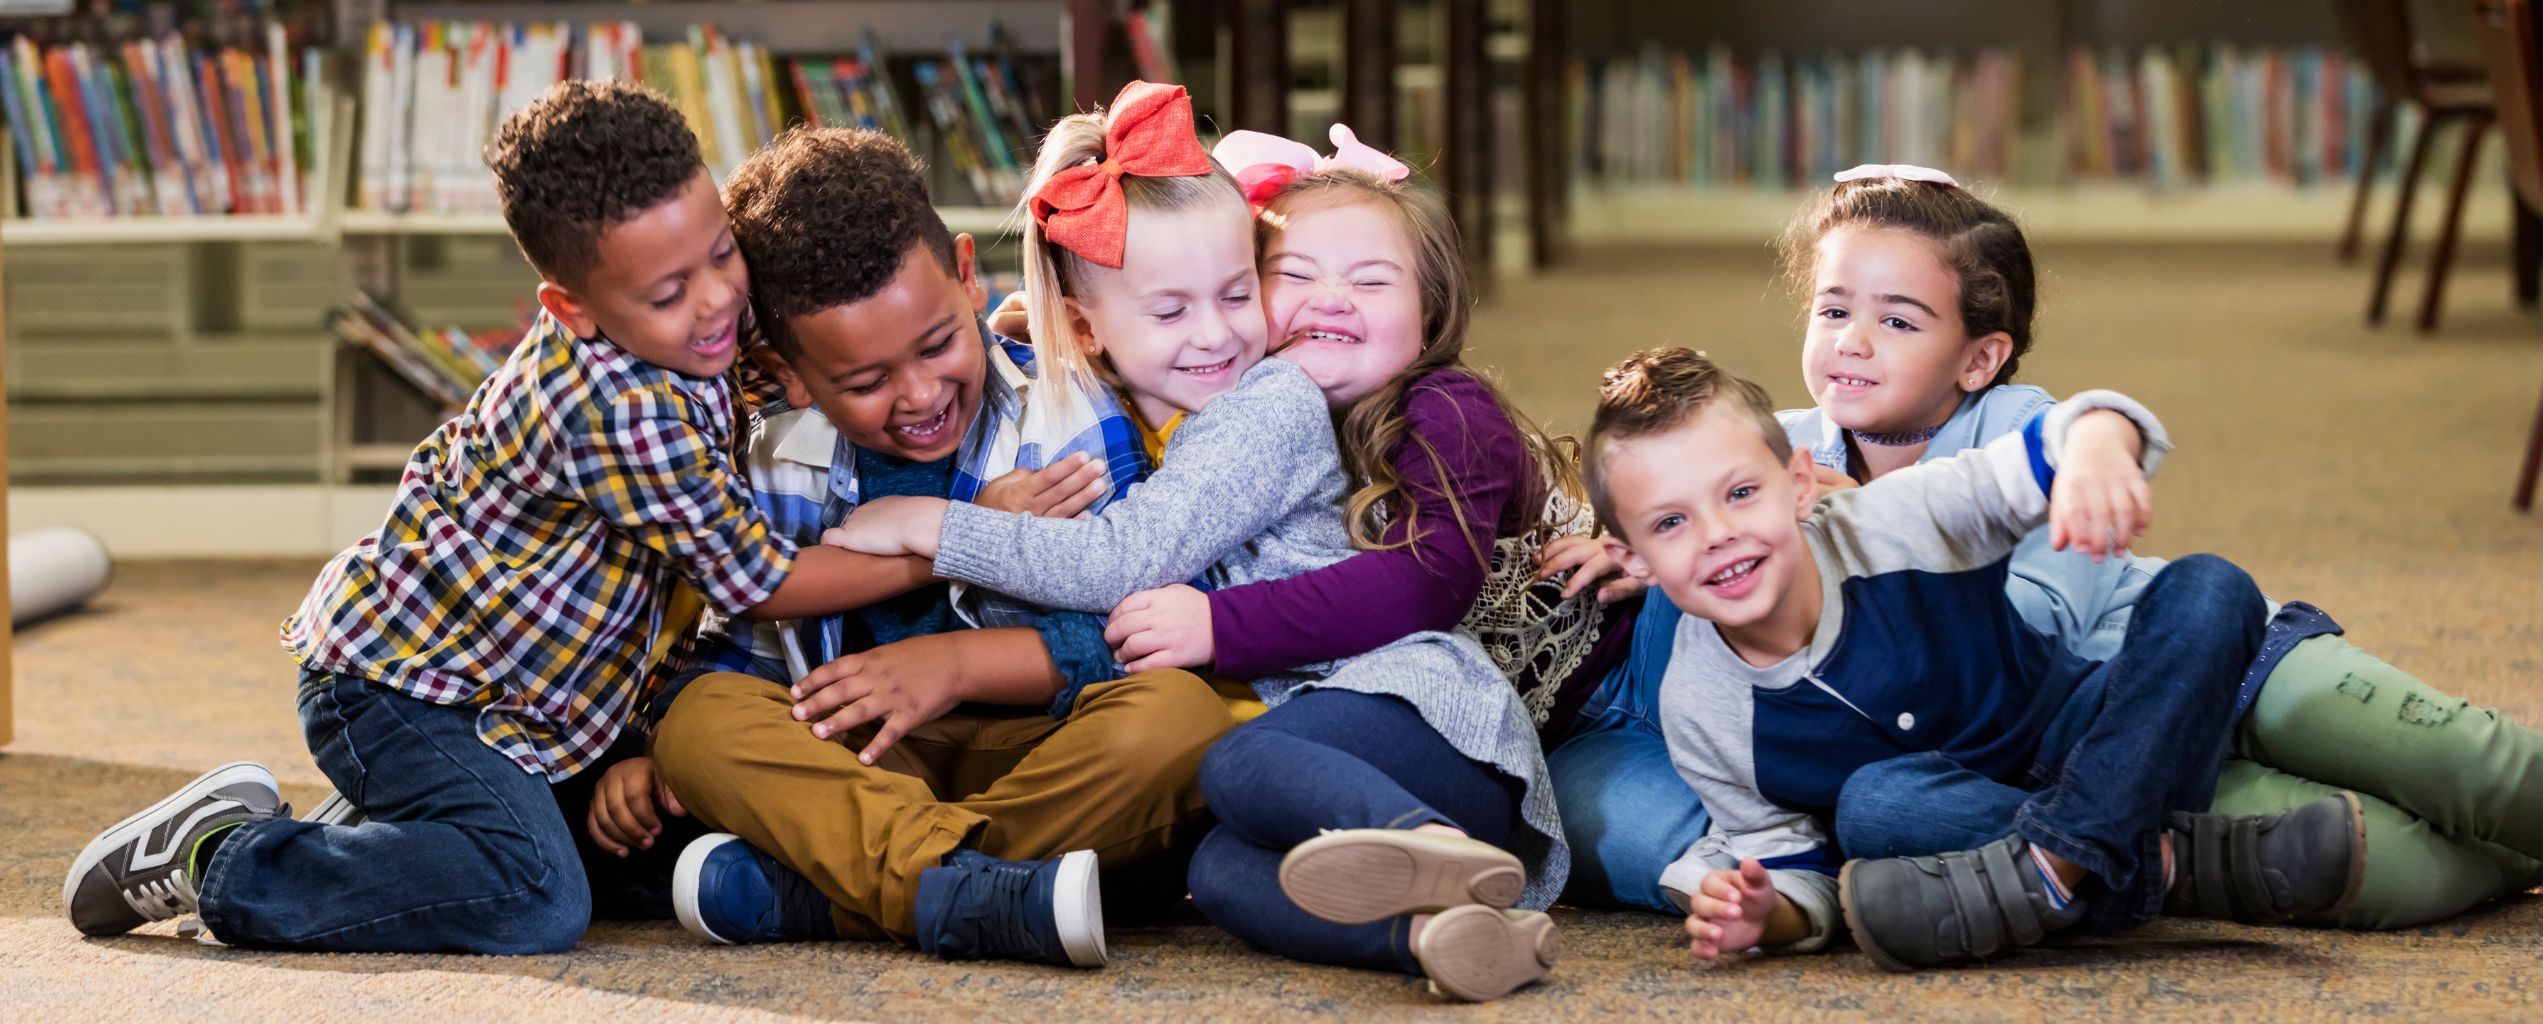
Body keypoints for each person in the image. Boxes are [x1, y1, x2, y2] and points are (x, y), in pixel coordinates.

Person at [63, 80, 913, 953]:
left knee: (654, 858)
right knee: (535, 895)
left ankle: (377, 838)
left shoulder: (679, 353)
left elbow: (724, 395)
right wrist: (939, 551)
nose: (716, 301)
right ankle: (222, 859)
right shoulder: (617, 407)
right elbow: (759, 580)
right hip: (403, 691)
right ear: (571, 309)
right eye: (666, 294)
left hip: (524, 699)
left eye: (723, 254)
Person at [824, 82, 1563, 1002]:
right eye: (1172, 313)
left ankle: (1439, 856)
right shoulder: (1155, 391)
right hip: (1335, 745)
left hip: (1411, 711)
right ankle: (1448, 934)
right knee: (1218, 875)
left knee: (1234, 761)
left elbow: (1122, 561)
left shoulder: (1272, 398)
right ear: (1093, 329)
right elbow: (1093, 311)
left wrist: (935, 529)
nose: (1215, 333)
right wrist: (1025, 323)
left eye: (1233, 295)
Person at [1777, 165, 2540, 929]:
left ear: (1978, 359)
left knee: (2474, 767)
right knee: (2376, 868)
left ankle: (2080, 871)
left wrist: (1871, 524)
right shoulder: (1765, 460)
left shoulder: (2024, 432)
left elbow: (2039, 627)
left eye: (1898, 322)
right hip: (2102, 766)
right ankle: (2127, 861)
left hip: (2216, 662)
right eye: (1832, 309)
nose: (1852, 341)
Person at [642, 125, 1232, 969]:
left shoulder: (1069, 414)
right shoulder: (771, 456)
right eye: (865, 381)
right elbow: (742, 656)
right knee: (701, 723)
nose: (918, 395)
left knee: (1180, 720)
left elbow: (1142, 636)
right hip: (861, 765)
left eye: (936, 345)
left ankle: (842, 890)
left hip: (1039, 743)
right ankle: (984, 881)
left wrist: (952, 666)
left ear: (965, 274)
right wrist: (660, 751)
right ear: (790, 368)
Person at [1584, 346, 2364, 970]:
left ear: (1796, 484)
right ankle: (2168, 864)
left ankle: (2051, 874)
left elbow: (2048, 445)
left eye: (1740, 494)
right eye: (1671, 522)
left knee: (2210, 589)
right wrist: (1770, 918)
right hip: (1951, 822)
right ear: (1634, 558)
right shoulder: (1698, 707)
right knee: (1872, 810)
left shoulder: (1893, 520)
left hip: (2081, 731)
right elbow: (1793, 863)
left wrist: (2093, 447)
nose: (1717, 532)